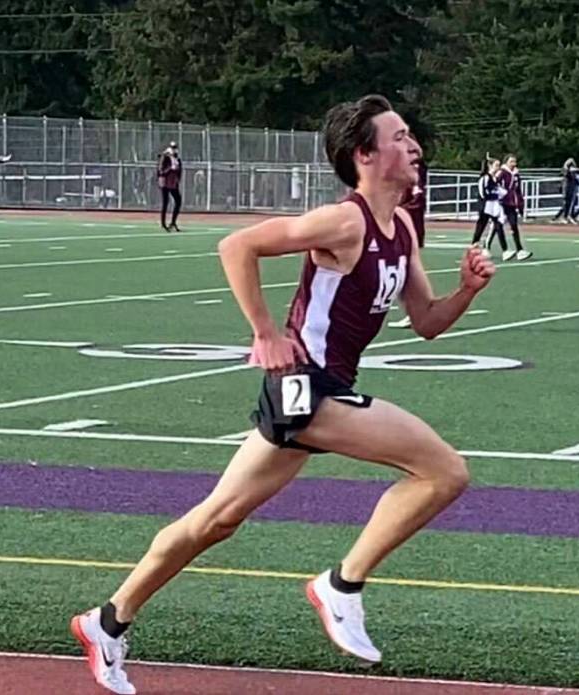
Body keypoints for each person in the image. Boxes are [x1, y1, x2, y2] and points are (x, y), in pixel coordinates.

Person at [69, 94, 496, 695]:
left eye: (410, 136)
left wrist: (468, 290)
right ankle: (340, 586)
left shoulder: (400, 226)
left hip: (321, 391)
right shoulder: (345, 222)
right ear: (364, 155)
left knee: (217, 519)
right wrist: (266, 333)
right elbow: (236, 246)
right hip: (305, 389)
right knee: (443, 472)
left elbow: (424, 319)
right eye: (399, 137)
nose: (415, 145)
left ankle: (106, 622)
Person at [388, 156, 428, 328]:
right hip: (405, 225)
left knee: (401, 270)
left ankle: (414, 312)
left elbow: (417, 202)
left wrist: (396, 211)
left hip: (406, 226)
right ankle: (414, 312)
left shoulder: (413, 176)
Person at [471, 158, 511, 261]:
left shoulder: (495, 179)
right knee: (481, 226)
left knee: (498, 226)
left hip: (494, 206)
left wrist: (500, 193)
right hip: (486, 206)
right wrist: (495, 194)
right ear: (490, 166)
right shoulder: (485, 178)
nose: (498, 168)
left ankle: (505, 251)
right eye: (496, 165)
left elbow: (497, 190)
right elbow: (483, 193)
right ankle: (474, 247)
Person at [495, 155, 532, 260]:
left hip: (511, 204)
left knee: (514, 226)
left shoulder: (516, 174)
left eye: (515, 162)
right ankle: (503, 250)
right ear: (506, 162)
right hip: (501, 203)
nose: (513, 164)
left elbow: (518, 190)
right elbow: (494, 184)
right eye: (511, 161)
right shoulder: (501, 173)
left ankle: (519, 250)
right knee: (497, 226)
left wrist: (520, 205)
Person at [158, 141, 183, 231]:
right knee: (165, 202)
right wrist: (170, 169)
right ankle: (163, 223)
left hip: (173, 183)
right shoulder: (165, 157)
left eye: (175, 147)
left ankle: (173, 222)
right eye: (172, 147)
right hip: (165, 182)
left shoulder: (177, 158)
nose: (174, 149)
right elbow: (161, 171)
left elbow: (179, 170)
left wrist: (178, 179)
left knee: (178, 201)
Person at [554, 158, 578, 225]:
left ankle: (568, 216)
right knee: (566, 203)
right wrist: (567, 169)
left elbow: (575, 179)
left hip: (571, 189)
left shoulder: (572, 172)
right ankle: (563, 217)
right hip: (567, 189)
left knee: (571, 203)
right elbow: (566, 175)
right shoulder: (566, 171)